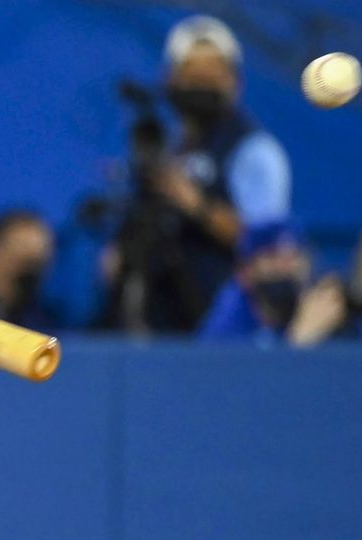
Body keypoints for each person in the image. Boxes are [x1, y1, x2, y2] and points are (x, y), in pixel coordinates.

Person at [104, 15, 291, 333]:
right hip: (161, 324)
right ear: (170, 81)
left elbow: (269, 249)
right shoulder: (168, 149)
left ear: (235, 83)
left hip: (228, 329)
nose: (202, 83)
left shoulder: (254, 151)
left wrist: (196, 204)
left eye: (214, 74)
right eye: (192, 74)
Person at [199, 222, 345, 346]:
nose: (286, 267)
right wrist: (299, 341)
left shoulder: (325, 308)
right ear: (245, 273)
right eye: (272, 257)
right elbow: (216, 373)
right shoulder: (232, 310)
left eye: (295, 256)